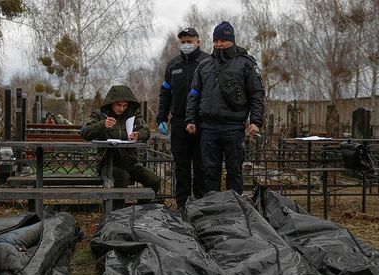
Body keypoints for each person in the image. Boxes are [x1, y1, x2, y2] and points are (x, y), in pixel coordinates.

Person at [185, 21, 265, 195]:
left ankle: (235, 210)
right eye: (216, 41)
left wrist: (256, 121)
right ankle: (212, 209)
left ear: (232, 40)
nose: (219, 44)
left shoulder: (246, 64)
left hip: (233, 127)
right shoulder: (205, 64)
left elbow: (256, 94)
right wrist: (191, 119)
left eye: (222, 40)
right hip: (208, 127)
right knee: (210, 172)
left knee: (234, 171)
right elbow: (194, 94)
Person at [81, 85, 161, 208]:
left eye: (125, 105)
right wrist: (102, 125)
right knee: (122, 177)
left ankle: (140, 209)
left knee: (154, 180)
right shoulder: (99, 115)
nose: (122, 109)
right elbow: (85, 133)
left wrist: (138, 135)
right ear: (111, 103)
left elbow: (145, 131)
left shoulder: (134, 115)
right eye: (118, 105)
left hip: (131, 162)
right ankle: (117, 212)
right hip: (108, 164)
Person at [157, 27, 210, 210]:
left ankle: (202, 205)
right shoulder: (173, 65)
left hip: (203, 122)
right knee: (181, 167)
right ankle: (183, 206)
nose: (186, 45)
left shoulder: (208, 62)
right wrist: (162, 117)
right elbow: (165, 93)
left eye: (190, 41)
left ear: (198, 41)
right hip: (179, 122)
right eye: (183, 42)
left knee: (202, 167)